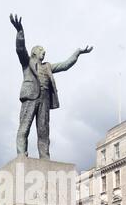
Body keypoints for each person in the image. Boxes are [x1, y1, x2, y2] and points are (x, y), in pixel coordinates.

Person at [10, 14, 93, 159]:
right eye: (42, 50)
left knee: (43, 131)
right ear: (35, 52)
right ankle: (21, 154)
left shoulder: (48, 66)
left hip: (44, 100)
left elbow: (65, 65)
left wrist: (77, 53)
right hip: (30, 96)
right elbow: (20, 48)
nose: (44, 52)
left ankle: (45, 156)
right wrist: (20, 31)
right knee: (24, 127)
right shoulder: (27, 62)